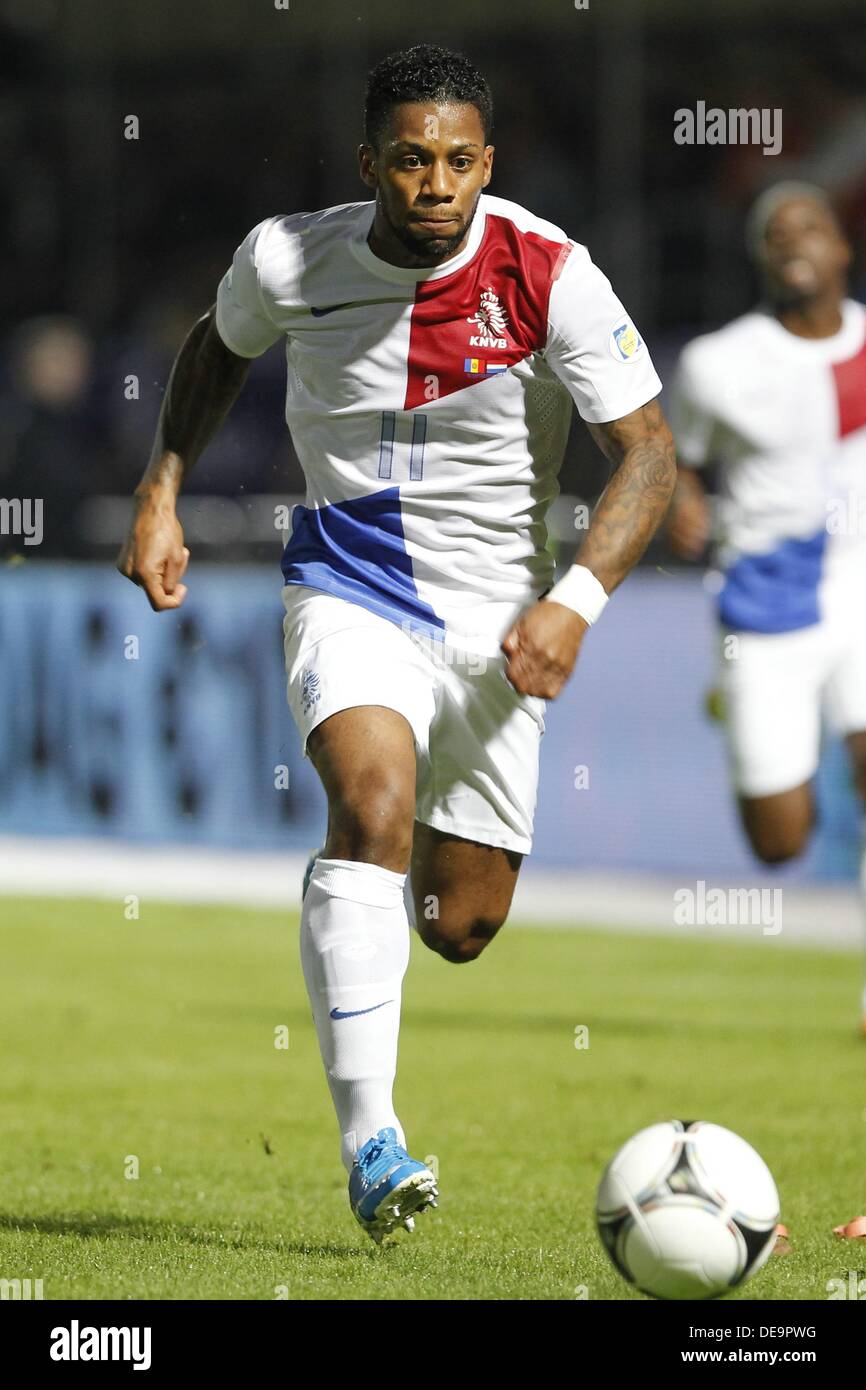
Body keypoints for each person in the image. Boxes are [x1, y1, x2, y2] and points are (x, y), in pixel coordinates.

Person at [117, 44, 675, 1243]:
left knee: (457, 927)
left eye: (459, 161)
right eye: (411, 161)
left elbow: (648, 454)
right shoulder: (289, 258)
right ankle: (371, 1136)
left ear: (488, 162)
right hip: (348, 580)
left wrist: (571, 600)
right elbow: (218, 346)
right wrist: (162, 485)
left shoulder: (547, 273)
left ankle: (389, 882)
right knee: (368, 803)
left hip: (501, 617)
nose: (436, 184)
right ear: (370, 162)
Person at [666, 181, 866, 1033]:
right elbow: (675, 457)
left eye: (809, 226)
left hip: (858, 588)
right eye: (775, 232)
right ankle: (752, 720)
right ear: (759, 257)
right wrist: (681, 499)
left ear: (842, 246)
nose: (794, 241)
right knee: (781, 842)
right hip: (764, 604)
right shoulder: (720, 366)